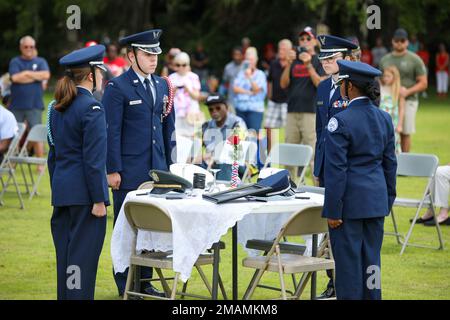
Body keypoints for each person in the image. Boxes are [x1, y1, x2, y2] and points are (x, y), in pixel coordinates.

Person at [102, 29, 176, 298]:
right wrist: (112, 169)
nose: (153, 59)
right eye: (147, 54)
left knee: (149, 230)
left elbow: (167, 130)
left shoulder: (160, 85)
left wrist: (170, 167)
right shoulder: (117, 87)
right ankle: (126, 284)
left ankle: (144, 282)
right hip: (128, 171)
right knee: (126, 230)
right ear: (131, 56)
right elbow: (112, 132)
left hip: (156, 170)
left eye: (156, 53)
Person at [323, 60, 397, 300]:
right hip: (375, 202)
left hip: (349, 205)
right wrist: (387, 199)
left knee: (348, 268)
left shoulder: (340, 120)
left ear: (350, 87)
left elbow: (337, 171)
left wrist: (333, 210)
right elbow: (390, 165)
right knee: (371, 263)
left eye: (343, 82)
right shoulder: (384, 118)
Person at [47, 45, 109, 300]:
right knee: (81, 267)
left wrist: (59, 189)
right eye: (101, 72)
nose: (103, 78)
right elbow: (93, 162)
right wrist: (98, 199)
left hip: (63, 194)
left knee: (67, 264)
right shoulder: (92, 109)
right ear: (92, 75)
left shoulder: (56, 108)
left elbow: (54, 157)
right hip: (86, 198)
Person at [314, 34, 358, 299]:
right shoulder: (321, 87)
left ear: (346, 58)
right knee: (330, 229)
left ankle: (346, 284)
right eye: (323, 58)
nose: (326, 62)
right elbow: (320, 130)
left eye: (332, 58)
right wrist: (318, 166)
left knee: (344, 227)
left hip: (347, 168)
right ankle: (333, 282)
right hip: (327, 166)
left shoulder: (355, 86)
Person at [280, 27, 325, 179]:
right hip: (292, 110)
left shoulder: (319, 60)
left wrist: (308, 65)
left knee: (312, 154)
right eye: (302, 39)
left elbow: (320, 84)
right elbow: (283, 84)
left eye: (308, 38)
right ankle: (289, 187)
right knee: (289, 154)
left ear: (314, 41)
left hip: (310, 112)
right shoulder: (293, 60)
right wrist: (288, 64)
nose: (304, 42)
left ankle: (317, 189)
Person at [379, 28, 427, 153]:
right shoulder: (385, 60)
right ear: (392, 41)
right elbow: (380, 80)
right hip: (387, 101)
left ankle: (405, 162)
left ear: (407, 42)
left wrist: (407, 92)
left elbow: (423, 83)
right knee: (385, 132)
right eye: (396, 40)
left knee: (404, 131)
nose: (399, 43)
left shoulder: (414, 59)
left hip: (408, 99)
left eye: (402, 40)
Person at [8, 35, 50, 171]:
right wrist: (33, 75)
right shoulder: (15, 61)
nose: (29, 49)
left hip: (34, 105)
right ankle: (11, 161)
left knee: (37, 134)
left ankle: (39, 164)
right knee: (13, 134)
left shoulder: (41, 61)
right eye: (26, 47)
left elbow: (45, 75)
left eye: (31, 46)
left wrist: (25, 74)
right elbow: (14, 78)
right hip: (16, 105)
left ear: (34, 47)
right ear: (21, 48)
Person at [200, 94, 247, 181]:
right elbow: (196, 146)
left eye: (218, 108)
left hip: (235, 163)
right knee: (195, 162)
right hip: (210, 162)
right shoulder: (206, 125)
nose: (214, 111)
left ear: (227, 107)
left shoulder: (237, 123)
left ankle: (222, 192)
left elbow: (233, 149)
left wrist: (213, 155)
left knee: (225, 161)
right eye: (211, 109)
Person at [264, 39, 292, 153]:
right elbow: (269, 81)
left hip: (288, 102)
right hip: (274, 101)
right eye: (280, 48)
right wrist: (269, 96)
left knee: (289, 131)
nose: (281, 51)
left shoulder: (294, 64)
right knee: (268, 127)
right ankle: (271, 154)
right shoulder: (274, 63)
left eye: (284, 49)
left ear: (290, 51)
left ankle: (287, 153)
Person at [169, 51, 204, 137]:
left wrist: (187, 89)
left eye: (184, 65)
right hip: (177, 113)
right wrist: (175, 90)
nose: (181, 67)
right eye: (178, 65)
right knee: (178, 138)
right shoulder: (171, 77)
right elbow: (168, 98)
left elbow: (197, 96)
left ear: (188, 65)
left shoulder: (193, 77)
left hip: (192, 113)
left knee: (194, 139)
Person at [233, 46, 267, 132]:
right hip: (240, 108)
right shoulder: (241, 73)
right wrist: (249, 92)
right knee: (239, 136)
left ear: (256, 60)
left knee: (253, 136)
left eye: (251, 59)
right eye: (248, 59)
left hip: (255, 110)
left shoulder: (260, 74)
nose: (249, 62)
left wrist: (249, 77)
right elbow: (235, 89)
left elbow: (256, 90)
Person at [380, 66, 404, 154]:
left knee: (394, 141)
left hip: (394, 121)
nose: (385, 78)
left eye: (388, 76)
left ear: (395, 77)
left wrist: (400, 125)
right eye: (384, 76)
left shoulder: (398, 90)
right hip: (382, 120)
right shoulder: (380, 88)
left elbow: (401, 109)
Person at [222, 46, 244, 111]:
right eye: (235, 55)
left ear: (242, 55)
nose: (236, 57)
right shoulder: (228, 67)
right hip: (231, 100)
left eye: (238, 55)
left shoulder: (246, 66)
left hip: (245, 101)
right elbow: (225, 83)